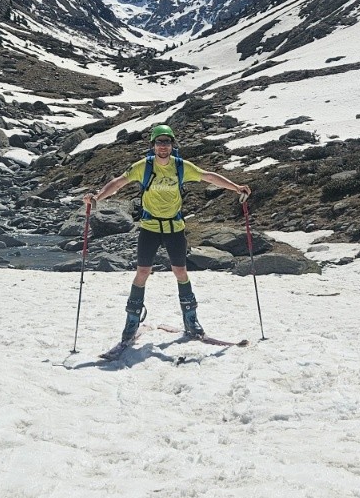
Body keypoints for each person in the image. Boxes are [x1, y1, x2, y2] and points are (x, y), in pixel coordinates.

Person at [87, 123, 250, 342]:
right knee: (142, 272)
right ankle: (131, 322)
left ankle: (191, 319)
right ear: (153, 145)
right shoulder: (143, 166)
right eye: (158, 142)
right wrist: (97, 197)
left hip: (175, 228)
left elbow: (208, 176)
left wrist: (236, 187)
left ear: (172, 144)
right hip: (150, 228)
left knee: (180, 271)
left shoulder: (181, 166)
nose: (162, 146)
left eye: (166, 142)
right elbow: (119, 183)